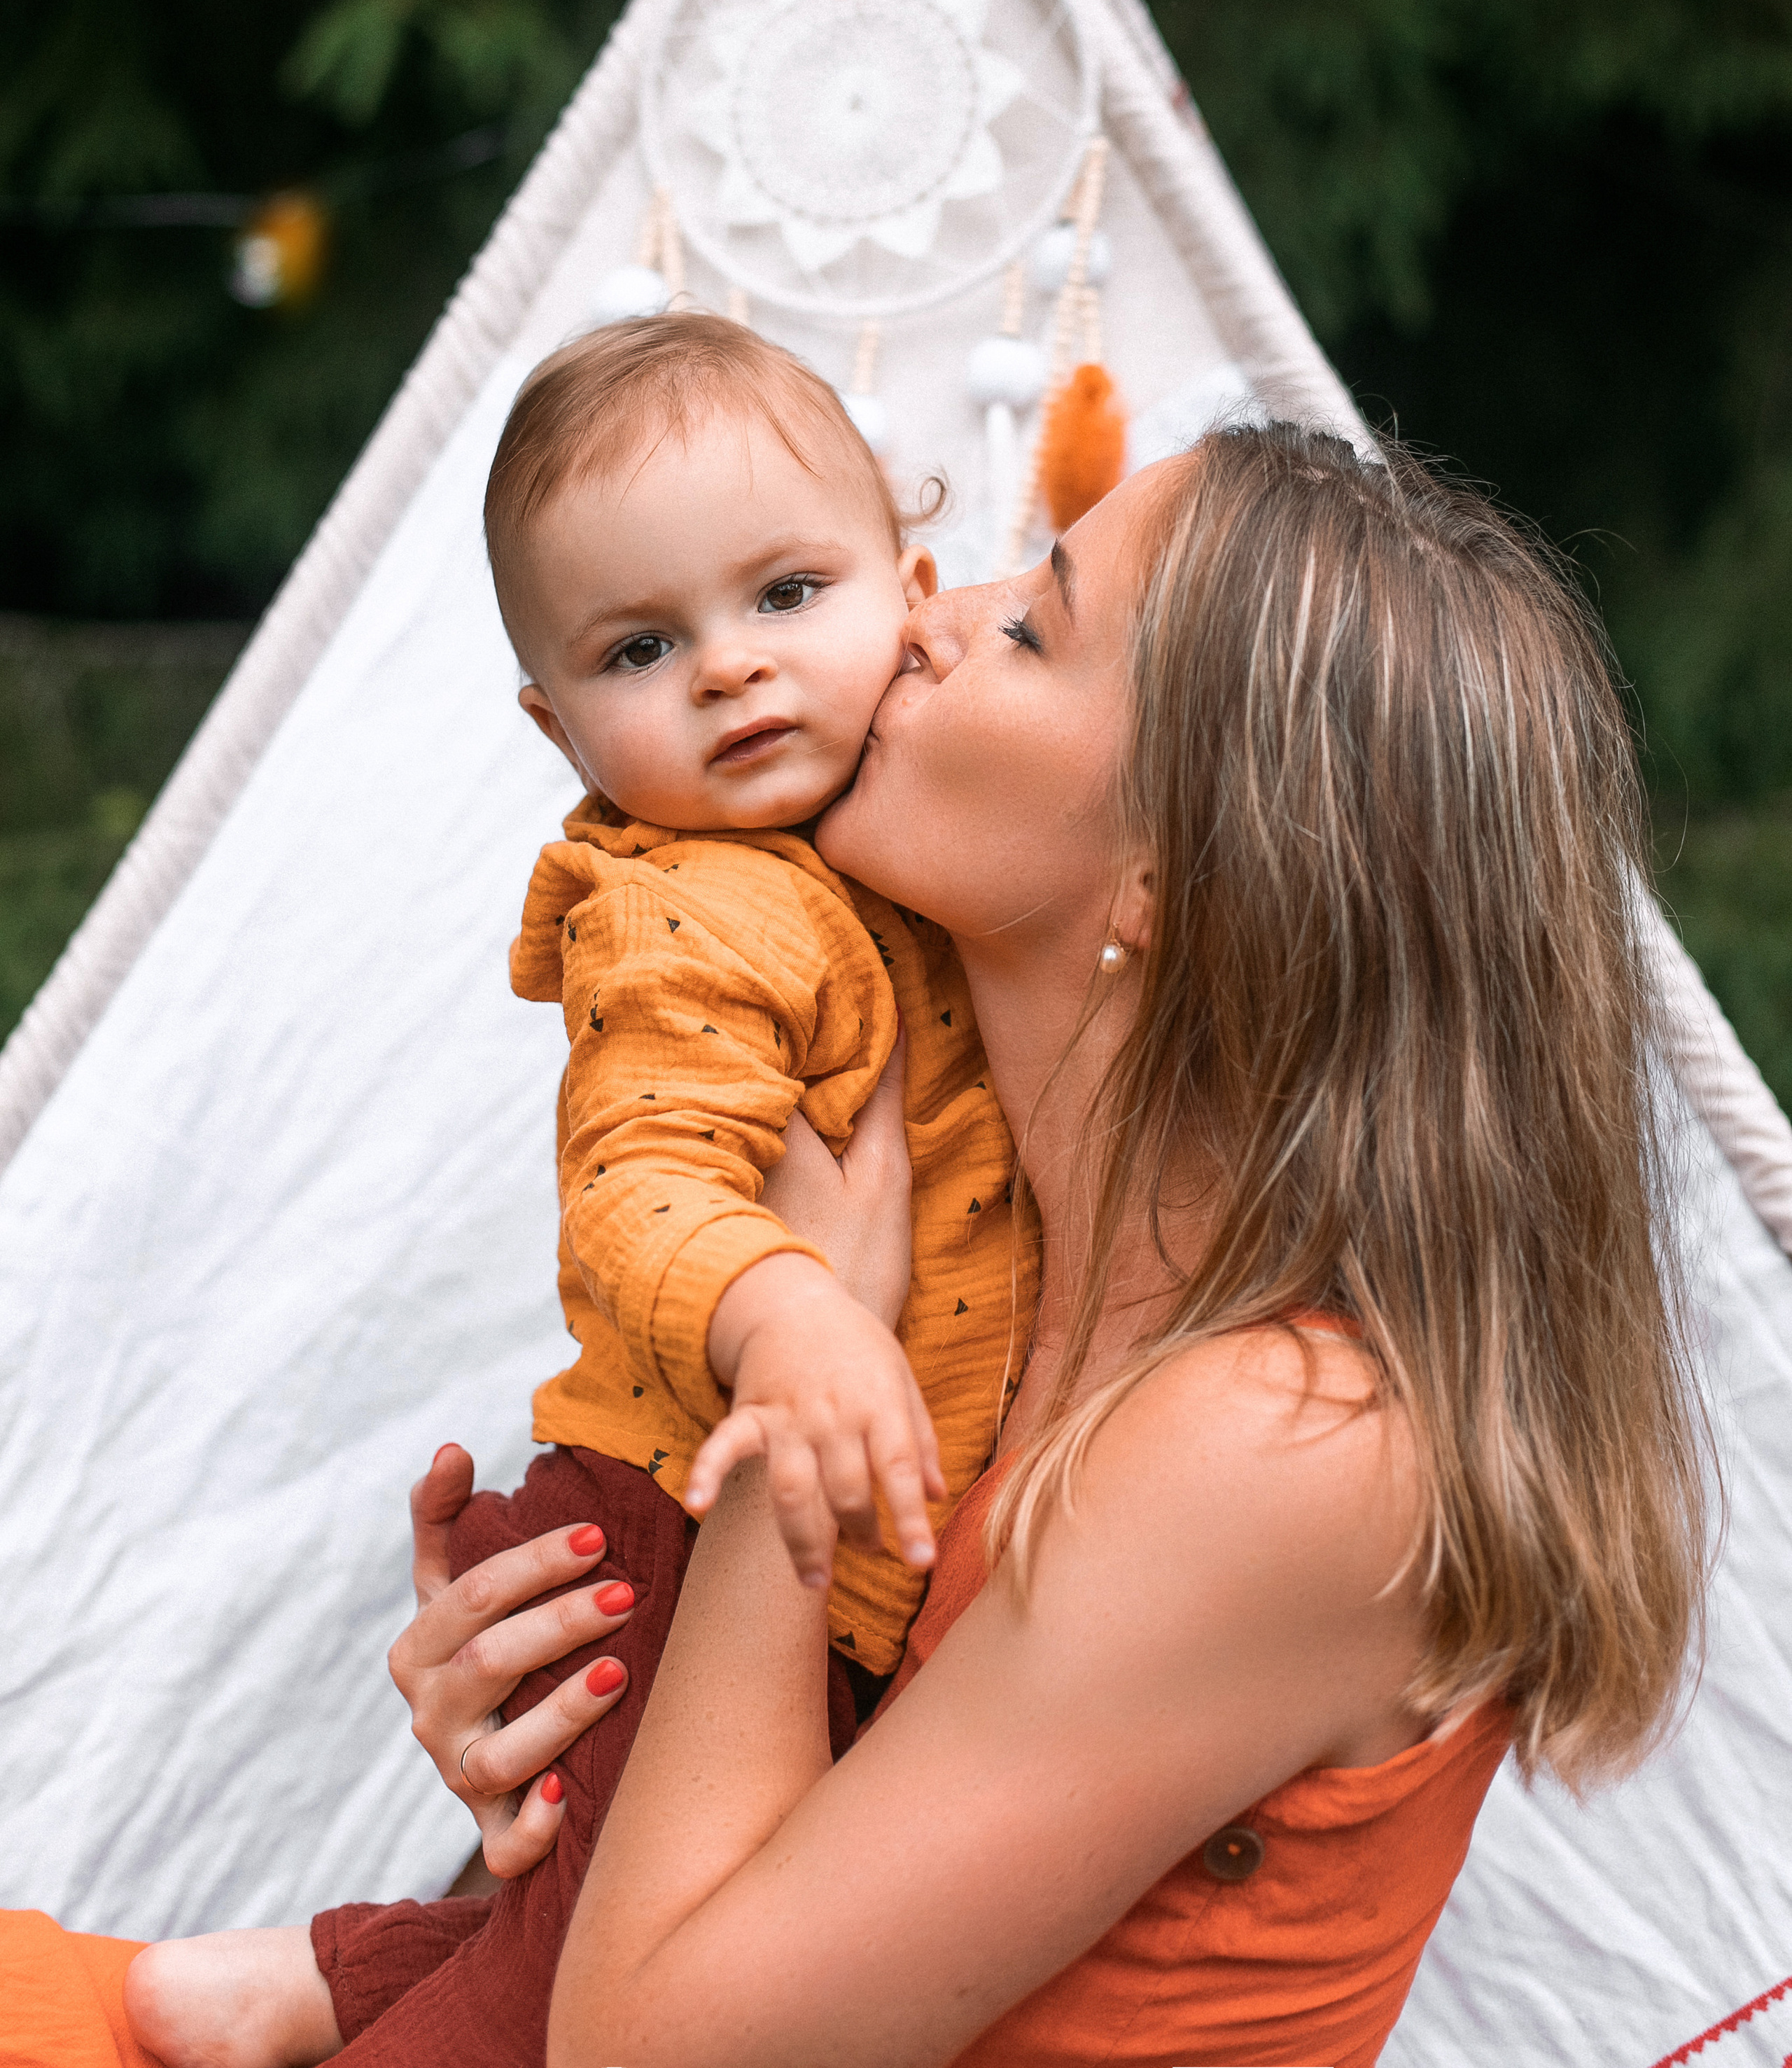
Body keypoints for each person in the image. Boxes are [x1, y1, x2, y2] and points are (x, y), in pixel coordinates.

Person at [416, 424, 1704, 2067]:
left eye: (1032, 625)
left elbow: (651, 2053)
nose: (932, 617)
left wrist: (798, 1415)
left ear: (1173, 874)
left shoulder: (1289, 1443)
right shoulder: (1014, 1290)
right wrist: (567, 1729)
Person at [123, 315, 1032, 2067]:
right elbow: (637, 1192)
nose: (726, 669)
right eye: (640, 644)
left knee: (621, 1919)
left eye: (785, 594)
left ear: (911, 597)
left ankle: (294, 1987)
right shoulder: (689, 911)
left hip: (804, 1558)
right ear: (556, 722)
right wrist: (790, 1315)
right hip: (670, 1547)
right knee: (596, 1985)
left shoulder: (896, 861)